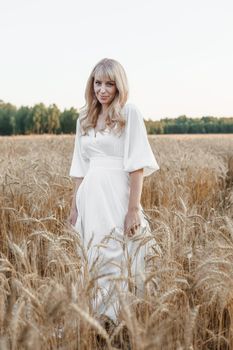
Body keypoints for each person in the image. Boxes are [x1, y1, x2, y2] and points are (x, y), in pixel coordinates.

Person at [68, 58, 160, 323]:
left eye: (110, 84)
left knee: (120, 251)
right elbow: (79, 167)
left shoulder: (129, 113)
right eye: (98, 83)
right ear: (91, 85)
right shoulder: (84, 118)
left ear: (119, 86)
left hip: (118, 195)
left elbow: (137, 167)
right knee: (93, 253)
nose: (103, 90)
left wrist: (133, 210)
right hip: (90, 198)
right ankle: (95, 319)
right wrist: (75, 206)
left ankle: (121, 319)